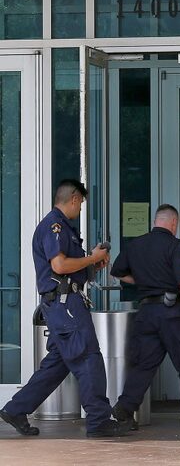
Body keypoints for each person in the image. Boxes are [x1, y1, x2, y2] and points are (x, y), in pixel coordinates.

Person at [0, 179, 126, 438]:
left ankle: (16, 409)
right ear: (74, 199)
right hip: (65, 305)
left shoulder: (62, 227)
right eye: (80, 204)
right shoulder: (54, 225)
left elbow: (70, 267)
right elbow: (58, 266)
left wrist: (91, 264)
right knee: (88, 355)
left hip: (61, 304)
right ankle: (99, 420)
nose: (80, 209)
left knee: (59, 363)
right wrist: (91, 258)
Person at [109, 204, 180, 429]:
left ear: (155, 221)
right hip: (171, 314)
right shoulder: (176, 246)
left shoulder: (136, 244)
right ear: (173, 223)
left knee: (144, 365)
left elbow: (117, 271)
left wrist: (144, 280)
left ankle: (125, 408)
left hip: (146, 313)